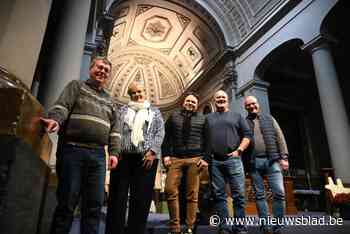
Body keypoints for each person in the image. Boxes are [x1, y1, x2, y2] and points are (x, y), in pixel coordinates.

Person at [41, 57, 119, 234]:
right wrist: (56, 120)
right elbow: (62, 106)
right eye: (99, 67)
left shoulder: (110, 101)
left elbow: (116, 129)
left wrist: (114, 153)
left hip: (98, 155)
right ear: (91, 69)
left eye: (106, 70)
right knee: (67, 202)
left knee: (94, 205)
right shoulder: (77, 86)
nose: (103, 71)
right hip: (73, 150)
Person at [105, 82, 165, 234]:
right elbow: (116, 130)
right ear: (130, 95)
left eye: (139, 92)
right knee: (117, 199)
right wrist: (115, 152)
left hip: (146, 159)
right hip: (123, 158)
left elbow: (160, 132)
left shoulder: (154, 111)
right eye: (133, 93)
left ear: (145, 92)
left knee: (141, 200)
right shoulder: (122, 111)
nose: (137, 95)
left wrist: (152, 151)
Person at [204, 90, 252, 234]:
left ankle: (240, 227)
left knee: (239, 195)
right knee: (219, 196)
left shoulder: (237, 116)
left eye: (223, 97)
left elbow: (247, 135)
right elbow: (204, 139)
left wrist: (239, 150)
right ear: (214, 100)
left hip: (234, 160)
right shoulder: (208, 118)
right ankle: (224, 227)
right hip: (215, 162)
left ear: (227, 100)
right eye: (218, 97)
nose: (221, 99)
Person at [162, 93, 208, 234]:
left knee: (192, 193)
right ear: (183, 102)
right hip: (176, 158)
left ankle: (190, 226)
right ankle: (175, 227)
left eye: (193, 102)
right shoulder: (173, 116)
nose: (190, 103)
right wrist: (165, 155)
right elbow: (166, 137)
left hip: (195, 159)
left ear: (197, 105)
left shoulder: (203, 118)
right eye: (188, 101)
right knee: (170, 189)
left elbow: (208, 140)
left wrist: (206, 158)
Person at [243, 96, 289, 234]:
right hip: (254, 162)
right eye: (248, 105)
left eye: (254, 103)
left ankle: (278, 226)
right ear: (246, 107)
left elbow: (280, 137)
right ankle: (265, 225)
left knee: (279, 193)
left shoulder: (269, 119)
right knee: (259, 195)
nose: (252, 106)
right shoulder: (244, 122)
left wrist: (284, 157)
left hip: (272, 160)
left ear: (258, 104)